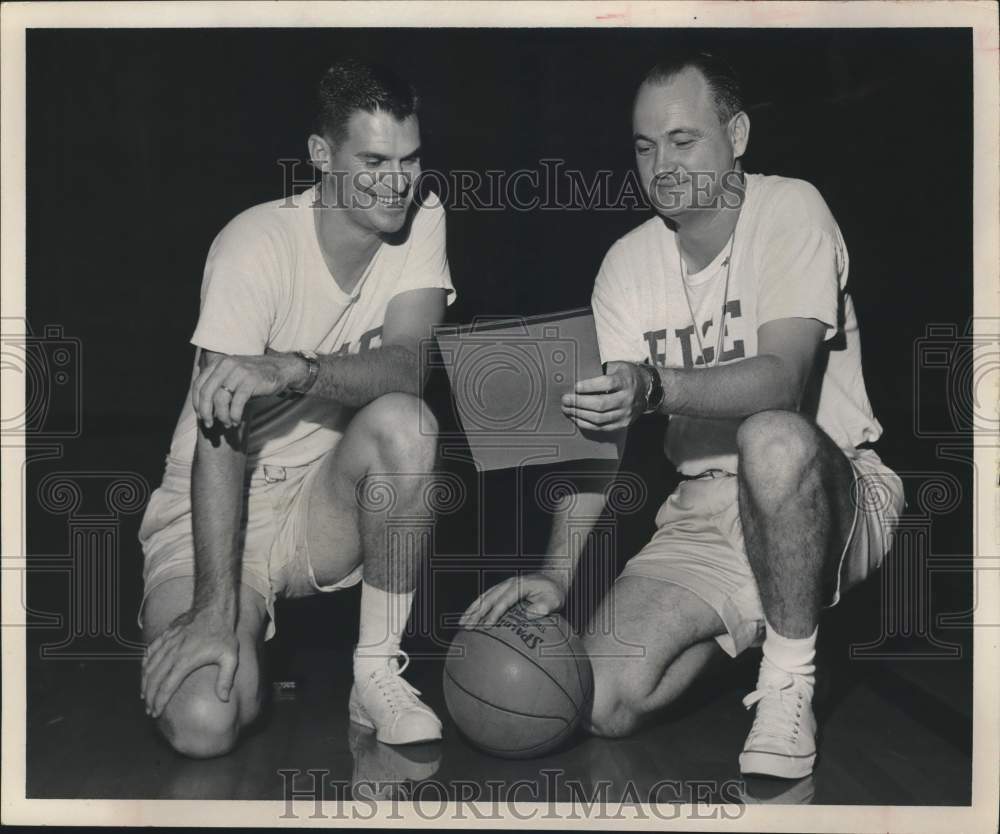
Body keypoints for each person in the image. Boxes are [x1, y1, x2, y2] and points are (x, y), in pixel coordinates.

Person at [461, 50, 903, 779]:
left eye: (682, 139)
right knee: (599, 701)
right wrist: (556, 578)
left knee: (771, 437)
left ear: (737, 135)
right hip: (704, 511)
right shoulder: (628, 264)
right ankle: (754, 624)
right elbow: (596, 439)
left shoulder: (791, 207)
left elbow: (782, 383)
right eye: (644, 145)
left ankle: (788, 682)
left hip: (832, 490)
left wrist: (654, 386)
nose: (660, 163)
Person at [138, 58, 455, 757]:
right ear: (321, 155)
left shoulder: (420, 218)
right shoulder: (254, 246)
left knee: (409, 423)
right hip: (217, 507)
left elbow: (409, 365)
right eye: (373, 160)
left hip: (321, 501)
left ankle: (375, 673)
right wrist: (217, 613)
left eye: (410, 160)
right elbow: (220, 435)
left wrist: (295, 368)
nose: (396, 181)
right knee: (203, 725)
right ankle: (236, 628)